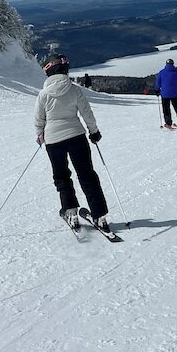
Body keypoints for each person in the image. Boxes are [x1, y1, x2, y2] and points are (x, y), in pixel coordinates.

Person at [34, 53, 111, 231]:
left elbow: (39, 119)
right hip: (77, 136)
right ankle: (100, 216)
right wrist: (94, 131)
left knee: (62, 176)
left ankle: (70, 212)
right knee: (87, 175)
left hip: (53, 140)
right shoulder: (74, 90)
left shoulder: (43, 94)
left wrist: (39, 134)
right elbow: (86, 113)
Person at [156, 58, 177, 128]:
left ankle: (168, 123)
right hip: (175, 94)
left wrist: (157, 90)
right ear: (173, 64)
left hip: (165, 94)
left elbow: (158, 83)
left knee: (166, 109)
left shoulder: (161, 72)